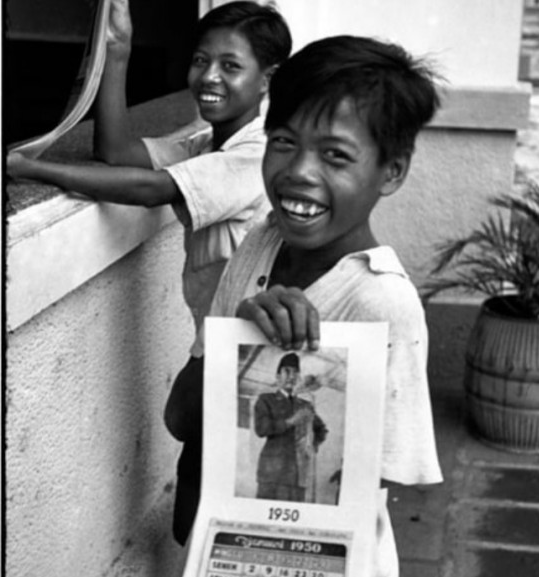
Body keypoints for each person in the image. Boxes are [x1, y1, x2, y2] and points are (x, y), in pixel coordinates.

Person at [175, 35, 444, 576]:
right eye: (283, 141)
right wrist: (238, 340)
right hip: (228, 550)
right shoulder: (262, 242)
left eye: (336, 156)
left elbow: (362, 485)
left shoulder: (382, 302)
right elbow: (180, 418)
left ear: (391, 171)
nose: (299, 171)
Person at [6, 0, 292, 328]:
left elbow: (151, 190)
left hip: (241, 344)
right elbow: (116, 151)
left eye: (230, 66)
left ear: (267, 80)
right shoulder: (207, 146)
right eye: (201, 60)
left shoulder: (256, 154)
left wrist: (31, 169)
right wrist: (118, 48)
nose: (209, 76)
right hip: (215, 336)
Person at [254, 352, 328, 503]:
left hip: (298, 474)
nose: (291, 376)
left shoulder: (305, 405)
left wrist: (311, 446)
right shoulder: (266, 400)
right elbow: (261, 429)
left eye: (295, 372)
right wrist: (291, 421)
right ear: (277, 376)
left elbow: (321, 430)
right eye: (286, 371)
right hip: (272, 473)